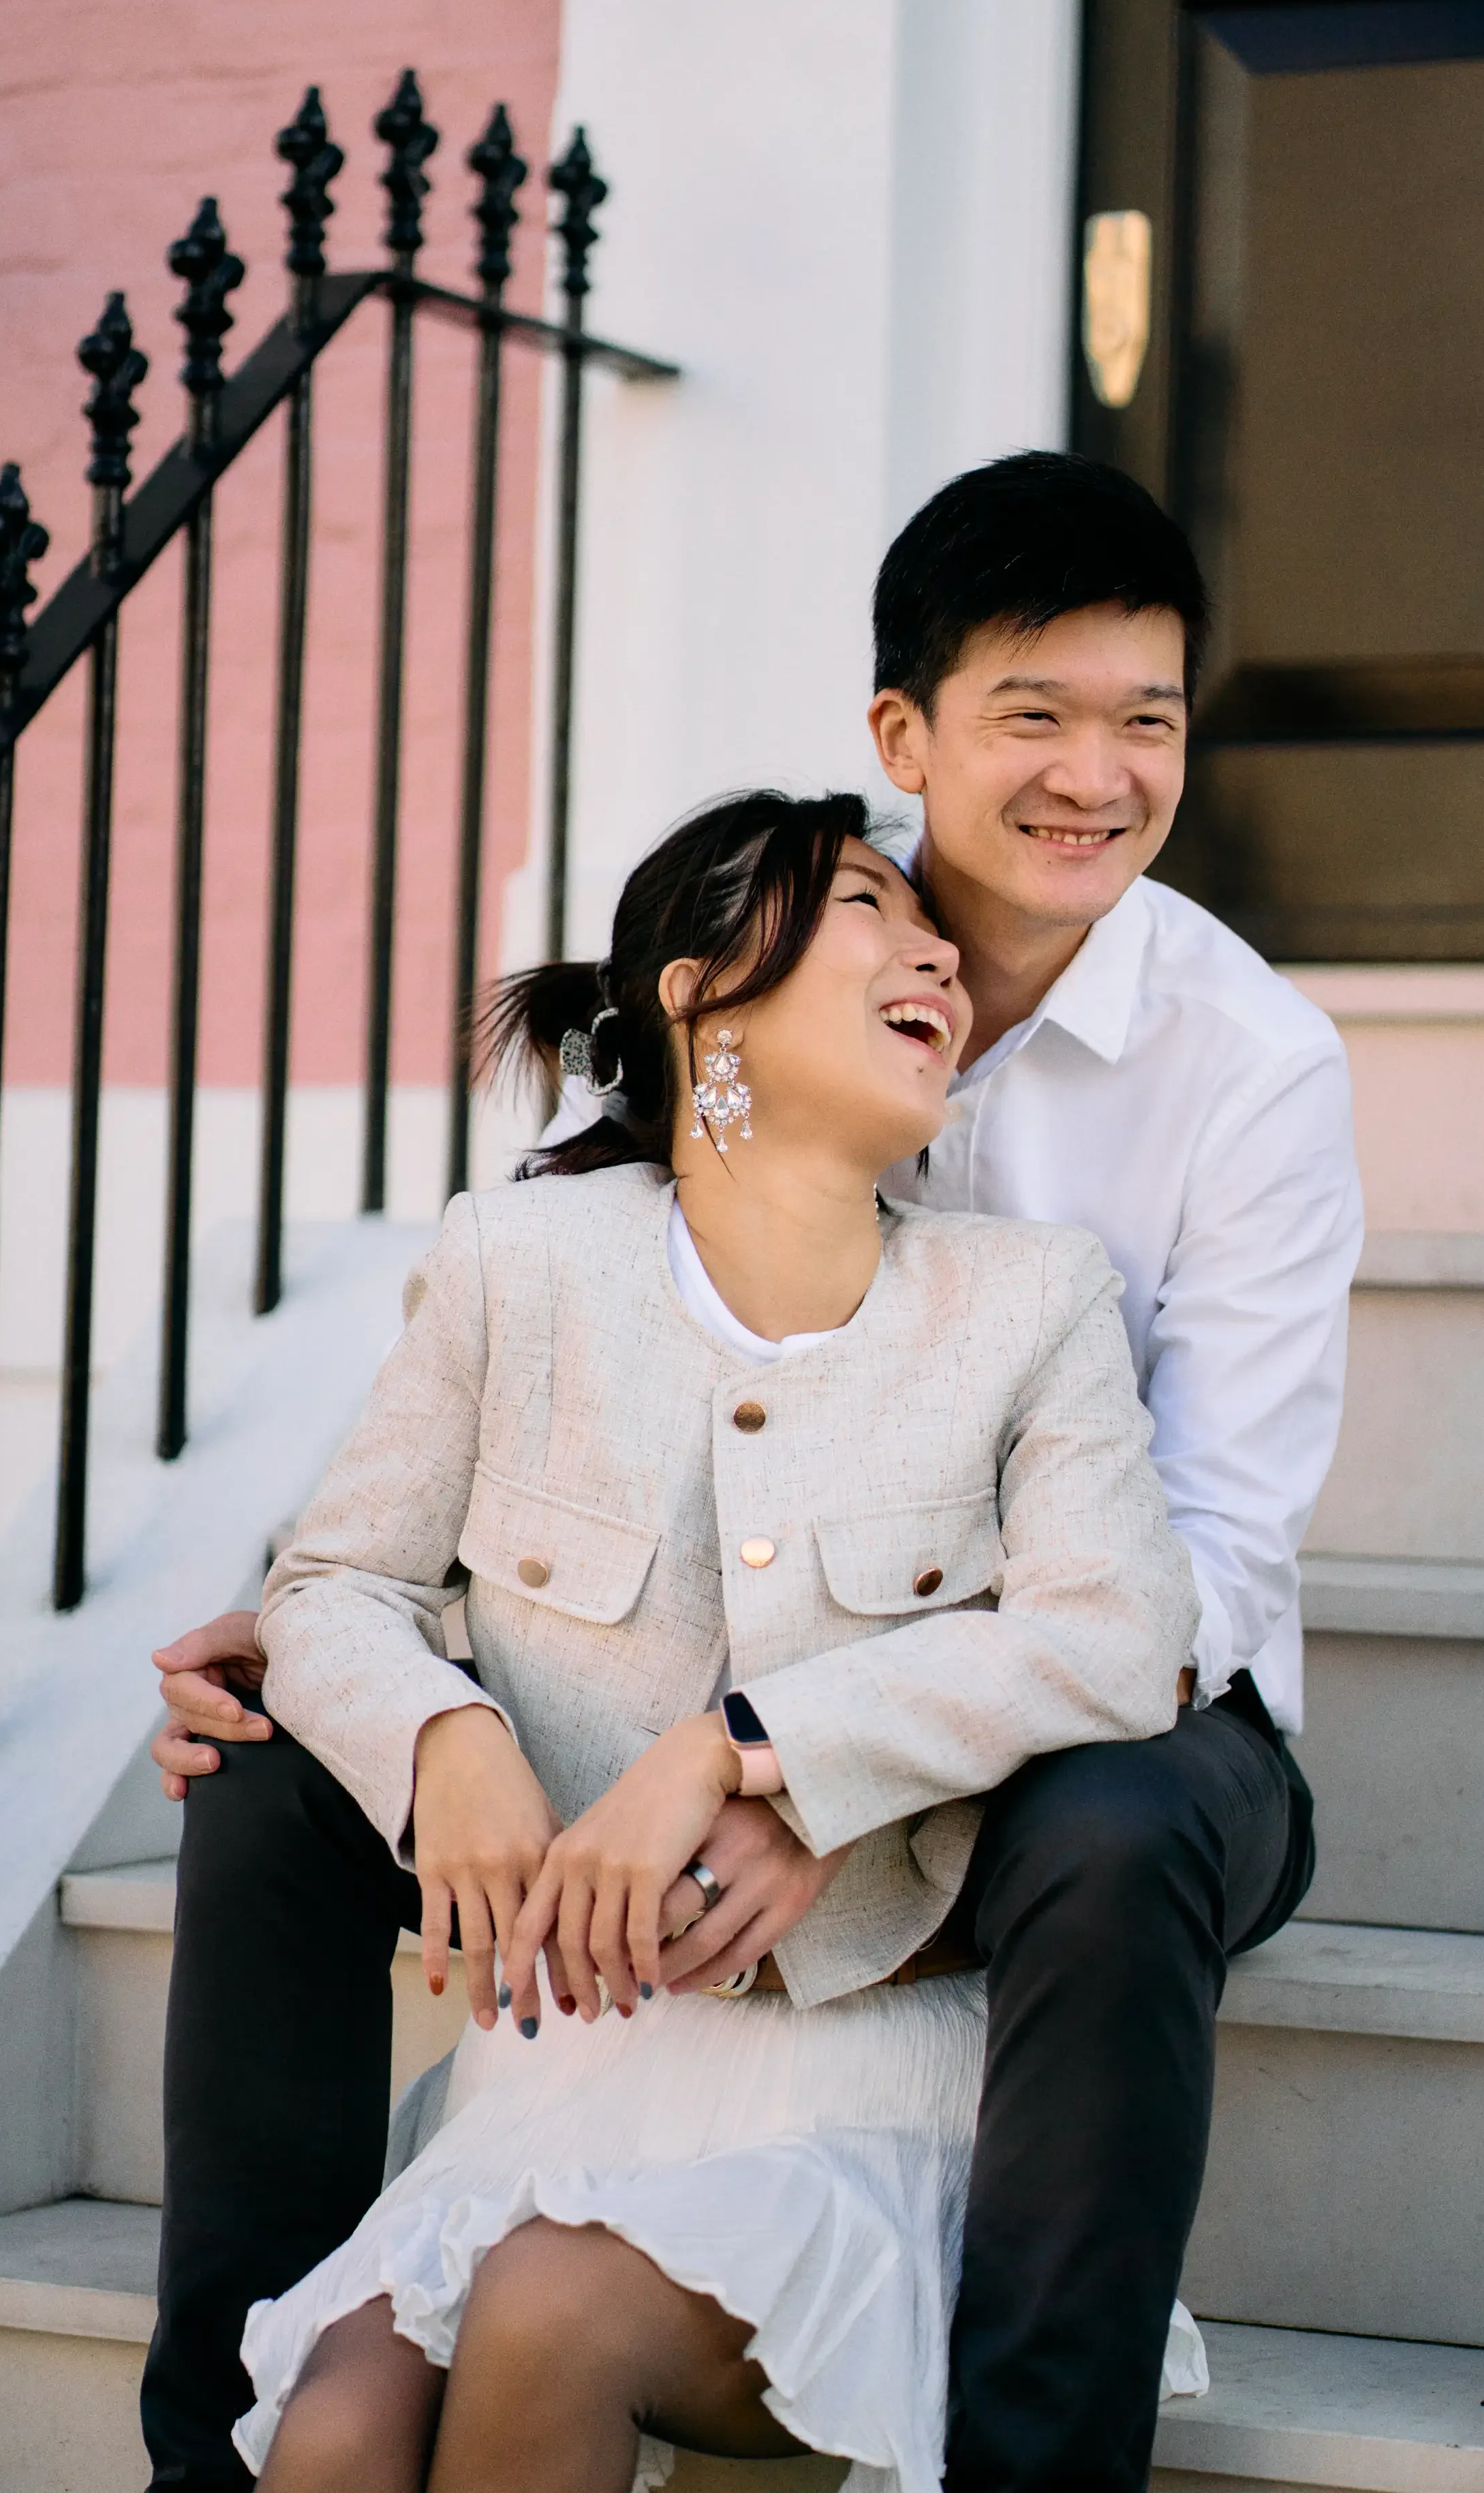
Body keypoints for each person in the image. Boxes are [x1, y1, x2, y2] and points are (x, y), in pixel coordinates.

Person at [145, 454, 1361, 2493]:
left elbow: (1197, 1580)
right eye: (1031, 717)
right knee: (273, 1772)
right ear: (904, 733)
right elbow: (577, 1333)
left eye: (1143, 719)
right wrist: (365, 1652)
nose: (1095, 775)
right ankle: (222, 2436)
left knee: (1118, 1816)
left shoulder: (1243, 1070)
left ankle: (1036, 2455)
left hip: (1090, 1718)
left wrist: (809, 1758)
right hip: (714, 1681)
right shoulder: (780, 925)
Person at [223, 788, 1197, 2493]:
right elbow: (329, 1587)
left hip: (862, 2097)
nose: (935, 953)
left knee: (547, 2316)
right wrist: (443, 1739)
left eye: (933, 932)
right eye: (867, 908)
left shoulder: (1026, 1300)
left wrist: (749, 1747)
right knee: (334, 2431)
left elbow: (1116, 1631)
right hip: (558, 2088)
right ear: (697, 997)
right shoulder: (515, 1266)